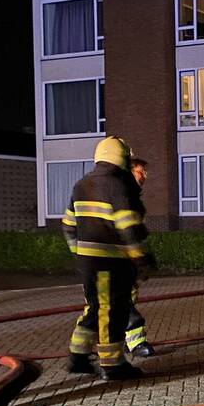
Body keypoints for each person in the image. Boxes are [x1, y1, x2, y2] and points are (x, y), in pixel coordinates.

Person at [61, 137, 152, 380]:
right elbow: (128, 226)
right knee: (112, 312)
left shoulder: (81, 185)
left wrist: (81, 253)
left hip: (89, 263)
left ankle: (78, 356)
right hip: (111, 263)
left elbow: (68, 225)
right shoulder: (116, 185)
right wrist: (140, 258)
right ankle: (113, 365)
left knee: (96, 307)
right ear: (120, 158)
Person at [125, 157, 154, 358]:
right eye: (140, 171)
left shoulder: (132, 196)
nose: (145, 175)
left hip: (127, 258)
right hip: (115, 258)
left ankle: (126, 342)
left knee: (128, 298)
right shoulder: (122, 194)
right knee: (119, 301)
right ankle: (135, 342)